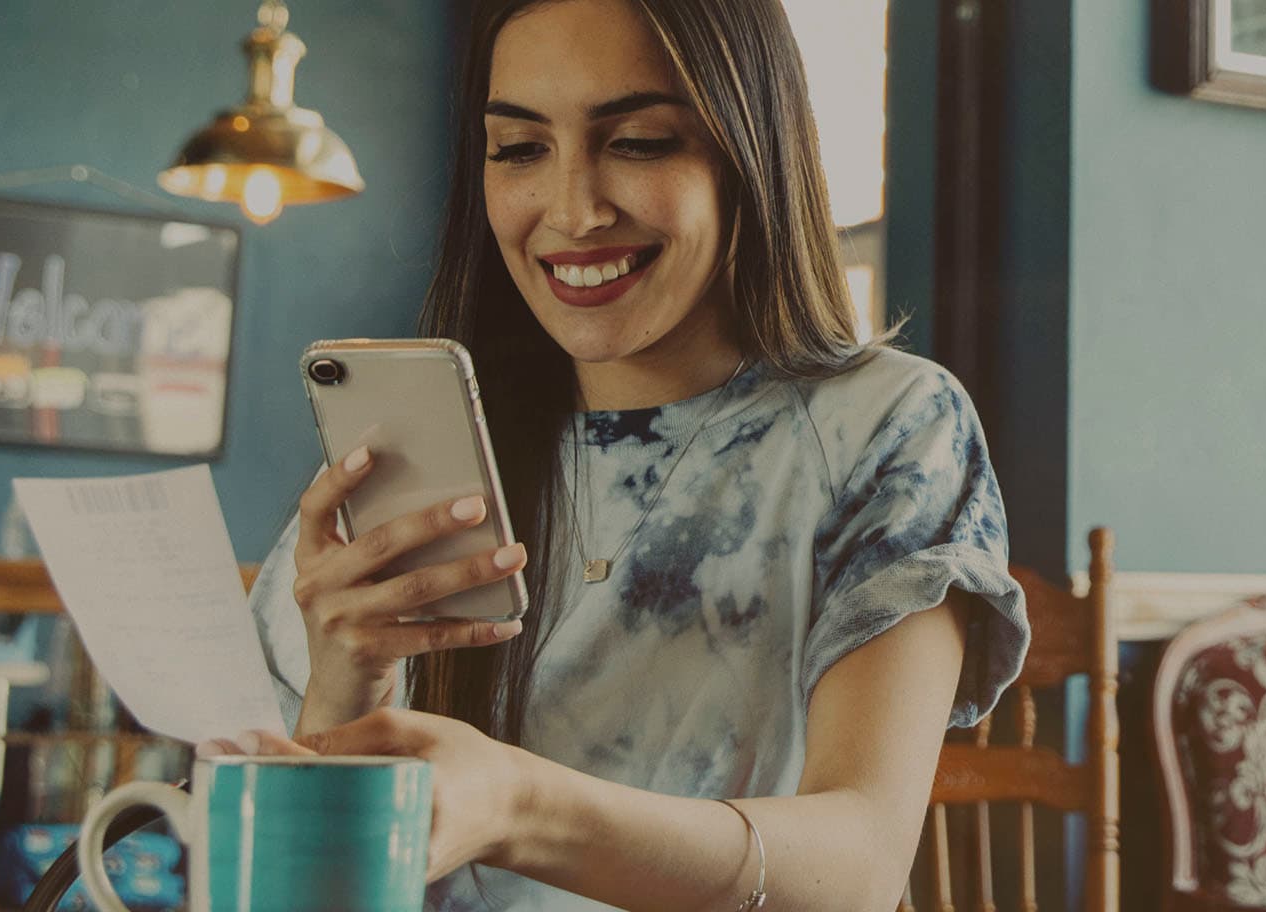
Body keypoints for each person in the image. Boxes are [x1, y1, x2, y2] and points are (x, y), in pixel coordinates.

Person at [233, 1, 1026, 910]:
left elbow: (860, 872)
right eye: (519, 149)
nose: (574, 211)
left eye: (639, 142)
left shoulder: (885, 427)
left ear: (750, 149)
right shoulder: (411, 459)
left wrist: (521, 807)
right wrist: (344, 695)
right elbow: (290, 892)